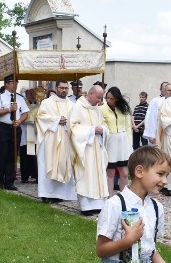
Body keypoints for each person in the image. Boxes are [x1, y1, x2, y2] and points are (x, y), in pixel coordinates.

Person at [34, 80, 77, 203]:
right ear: (56, 88)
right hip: (50, 140)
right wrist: (57, 120)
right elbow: (40, 117)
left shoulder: (72, 105)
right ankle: (46, 194)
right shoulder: (47, 103)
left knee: (64, 165)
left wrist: (67, 122)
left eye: (66, 88)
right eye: (61, 88)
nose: (64, 90)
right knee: (48, 164)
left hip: (66, 139)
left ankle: (61, 194)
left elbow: (75, 121)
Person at [70, 84, 110, 215]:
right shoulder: (78, 107)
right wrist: (91, 130)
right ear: (91, 94)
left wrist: (103, 130)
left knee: (98, 175)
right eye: (98, 97)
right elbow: (72, 128)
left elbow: (104, 125)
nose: (99, 101)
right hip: (85, 149)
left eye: (101, 98)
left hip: (97, 148)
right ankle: (86, 207)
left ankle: (99, 205)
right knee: (86, 175)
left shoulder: (98, 109)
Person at [0, 75, 29, 191]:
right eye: (12, 82)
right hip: (3, 127)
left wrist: (20, 121)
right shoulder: (0, 97)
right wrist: (9, 110)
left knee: (13, 155)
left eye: (16, 82)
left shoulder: (20, 98)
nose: (15, 84)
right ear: (6, 84)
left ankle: (10, 181)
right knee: (2, 153)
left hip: (15, 128)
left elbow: (25, 113)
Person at [103, 87, 134, 192]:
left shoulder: (123, 109)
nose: (109, 100)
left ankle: (124, 197)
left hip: (123, 142)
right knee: (110, 173)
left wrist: (130, 145)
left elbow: (128, 128)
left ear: (117, 98)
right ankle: (110, 198)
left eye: (111, 98)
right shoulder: (102, 109)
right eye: (107, 97)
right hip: (110, 142)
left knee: (124, 173)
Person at [19, 88, 39, 184]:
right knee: (25, 154)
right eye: (30, 94)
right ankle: (24, 176)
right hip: (25, 131)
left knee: (35, 155)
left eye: (33, 94)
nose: (32, 96)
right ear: (26, 95)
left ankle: (36, 175)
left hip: (35, 132)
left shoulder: (40, 105)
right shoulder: (23, 104)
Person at [143, 82, 169, 146]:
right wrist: (151, 134)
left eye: (167, 88)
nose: (166, 89)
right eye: (164, 87)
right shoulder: (155, 101)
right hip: (157, 131)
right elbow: (150, 118)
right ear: (161, 89)